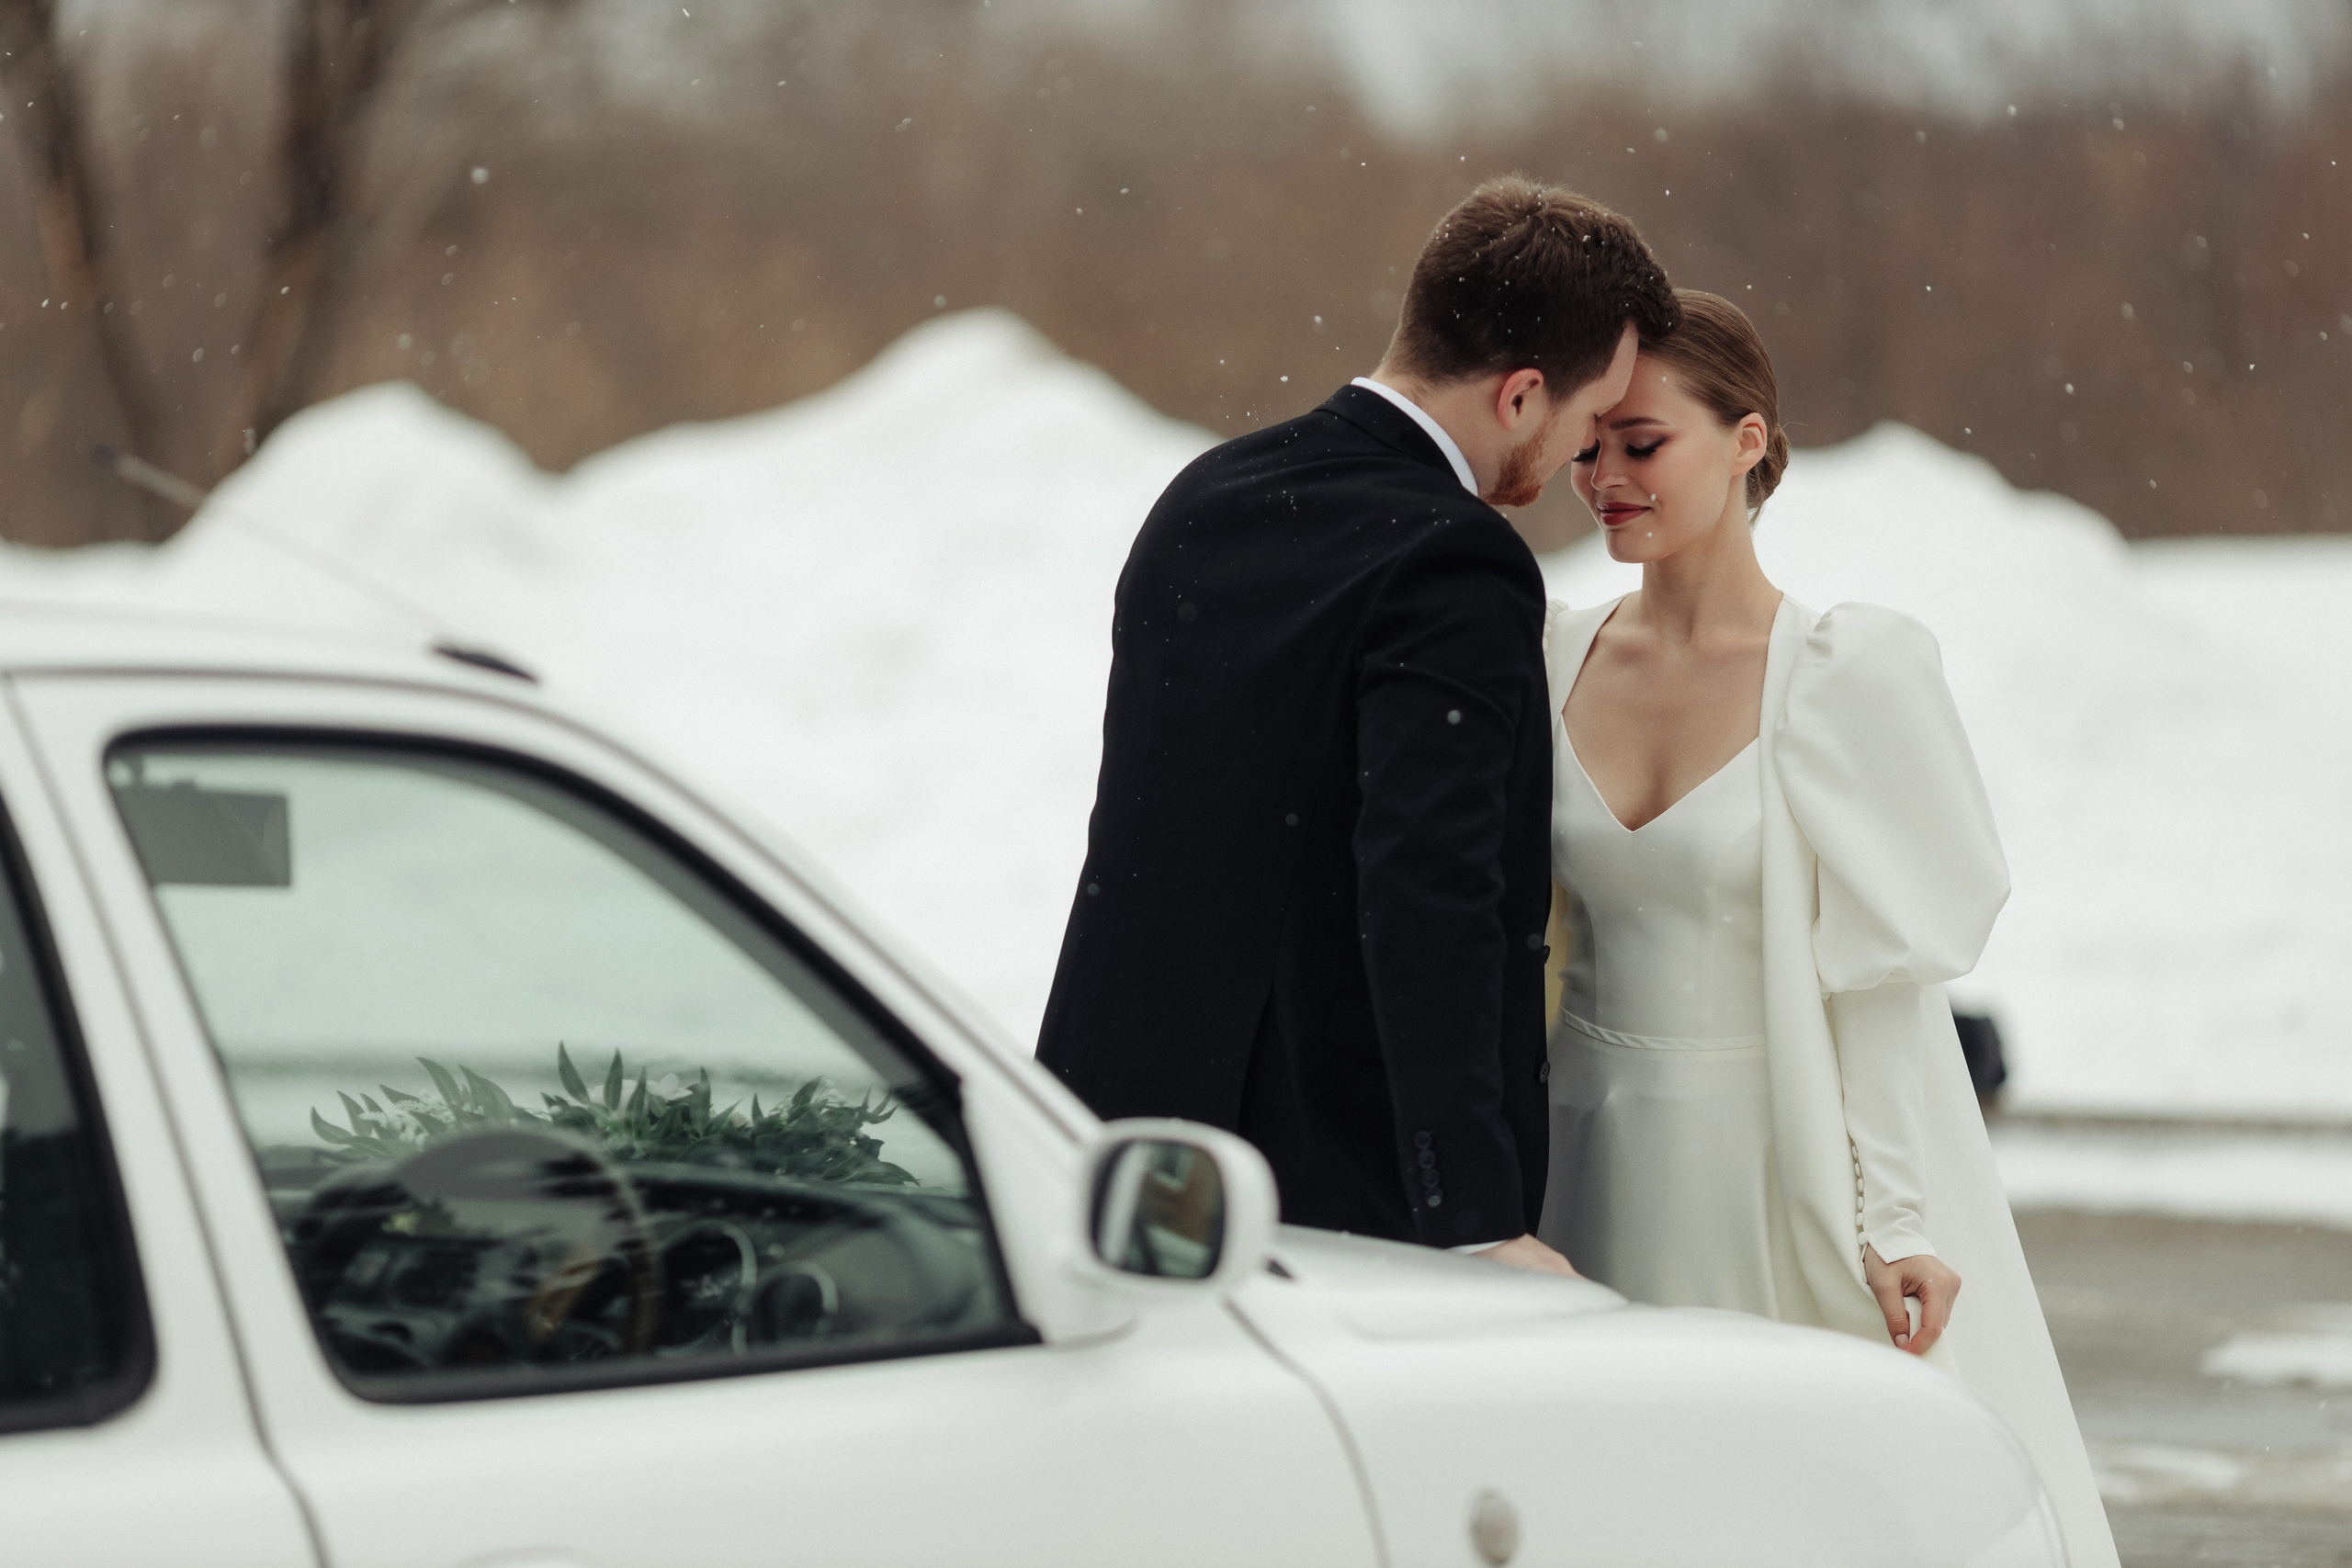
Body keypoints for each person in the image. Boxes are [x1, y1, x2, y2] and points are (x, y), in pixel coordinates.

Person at [1541, 289, 2119, 1565]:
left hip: (1767, 1163)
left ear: (1747, 440)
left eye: (1643, 443)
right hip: (1576, 1160)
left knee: (1782, 1506)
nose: (1604, 477)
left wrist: (1896, 1217)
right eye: (1587, 446)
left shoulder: (1844, 673)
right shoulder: (1547, 655)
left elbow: (1881, 983)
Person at [1036, 175, 1676, 1269]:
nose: (1586, 453)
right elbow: (1430, 886)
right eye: (1585, 420)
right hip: (1325, 1188)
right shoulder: (1455, 560)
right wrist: (1472, 1213)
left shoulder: (1206, 496)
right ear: (1522, 396)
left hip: (1113, 1139)